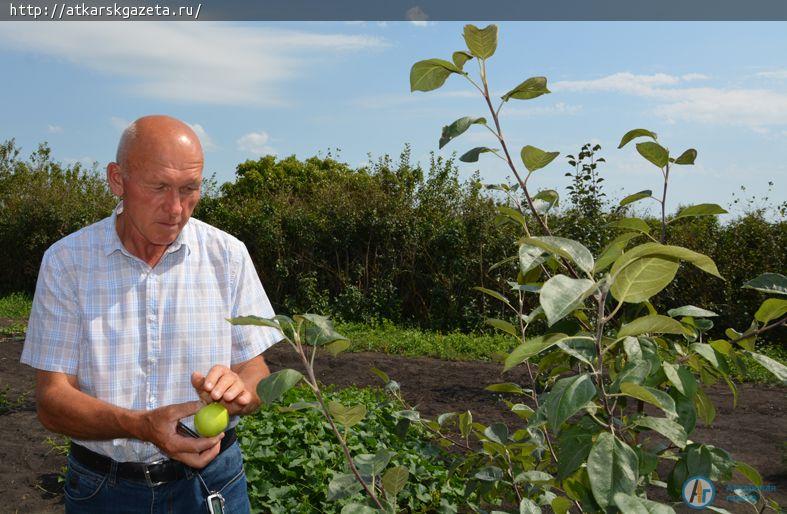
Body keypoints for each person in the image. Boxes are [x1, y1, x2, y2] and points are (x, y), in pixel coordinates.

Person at [20, 115, 282, 513]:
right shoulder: (67, 263)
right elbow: (52, 401)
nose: (176, 208)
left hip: (212, 484)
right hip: (105, 490)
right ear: (117, 180)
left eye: (189, 189)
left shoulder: (227, 256)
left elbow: (255, 370)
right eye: (159, 187)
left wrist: (240, 391)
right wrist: (140, 426)